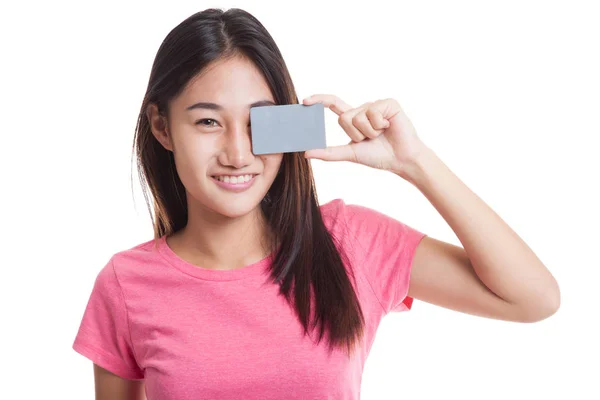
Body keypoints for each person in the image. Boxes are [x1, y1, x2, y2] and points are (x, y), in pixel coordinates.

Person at [72, 7, 561, 400]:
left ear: (286, 122)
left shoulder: (350, 242)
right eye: (207, 122)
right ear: (162, 128)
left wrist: (414, 162)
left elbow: (533, 298)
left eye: (257, 123)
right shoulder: (125, 285)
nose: (238, 153)